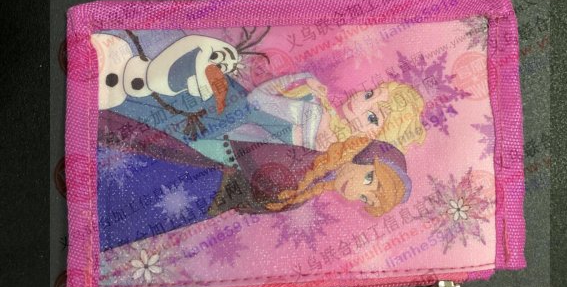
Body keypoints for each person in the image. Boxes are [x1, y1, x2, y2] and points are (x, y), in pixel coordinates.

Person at [98, 111, 411, 251]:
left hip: (206, 200)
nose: (356, 192)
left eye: (366, 198)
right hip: (200, 175)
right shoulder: (302, 160)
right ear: (358, 155)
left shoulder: (312, 185)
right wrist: (185, 152)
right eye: (369, 178)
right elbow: (235, 150)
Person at [247, 72, 426, 153]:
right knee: (312, 102)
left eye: (372, 117)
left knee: (314, 112)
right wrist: (307, 81)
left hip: (284, 147)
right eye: (369, 95)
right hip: (261, 131)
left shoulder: (345, 147)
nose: (360, 103)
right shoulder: (332, 118)